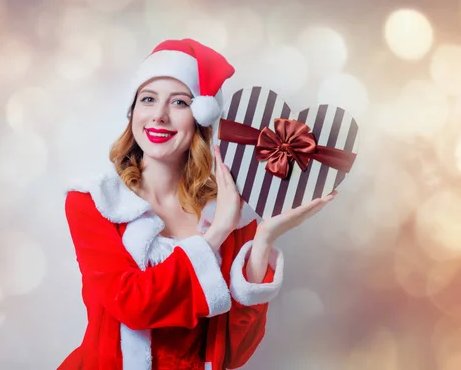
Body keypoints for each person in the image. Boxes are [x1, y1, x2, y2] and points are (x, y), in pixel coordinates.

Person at [58, 38, 336, 370]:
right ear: (134, 111)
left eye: (179, 103)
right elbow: (132, 304)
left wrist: (263, 239)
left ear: (201, 117)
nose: (159, 116)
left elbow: (234, 352)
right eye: (148, 99)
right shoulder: (95, 203)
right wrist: (217, 233)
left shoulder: (229, 208)